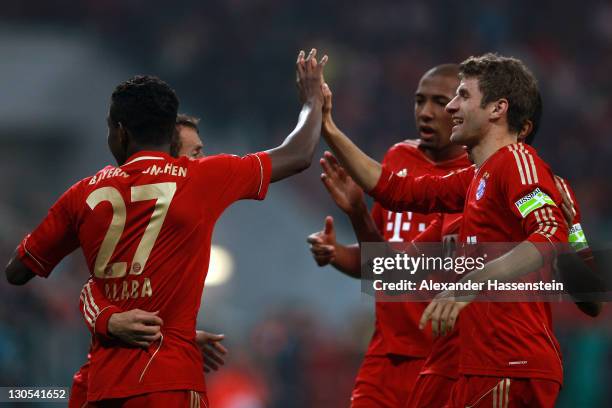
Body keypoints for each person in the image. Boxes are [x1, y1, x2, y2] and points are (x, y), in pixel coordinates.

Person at [5, 48, 327, 406]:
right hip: (168, 381)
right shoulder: (201, 177)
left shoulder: (82, 194)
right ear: (170, 133)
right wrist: (312, 101)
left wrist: (98, 300)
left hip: (100, 388)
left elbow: (18, 271)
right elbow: (298, 153)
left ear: (120, 132)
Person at [318, 53, 568, 407]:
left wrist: (469, 284)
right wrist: (327, 127)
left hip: (508, 364)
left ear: (497, 109)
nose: (451, 106)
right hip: (472, 364)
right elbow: (398, 191)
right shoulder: (476, 179)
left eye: (462, 96)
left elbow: (549, 236)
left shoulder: (518, 163)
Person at [307, 64, 471, 407]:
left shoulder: (478, 179)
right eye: (419, 101)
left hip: (448, 363)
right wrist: (337, 251)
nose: (425, 113)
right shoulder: (398, 158)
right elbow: (378, 263)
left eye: (439, 102)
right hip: (386, 357)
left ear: (464, 107)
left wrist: (357, 212)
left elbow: (395, 272)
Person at [69, 114, 226, 408]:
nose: (204, 160)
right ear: (167, 162)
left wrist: (179, 337)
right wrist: (109, 319)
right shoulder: (115, 213)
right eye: (195, 153)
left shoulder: (174, 224)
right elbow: (89, 288)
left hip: (132, 377)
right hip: (113, 384)